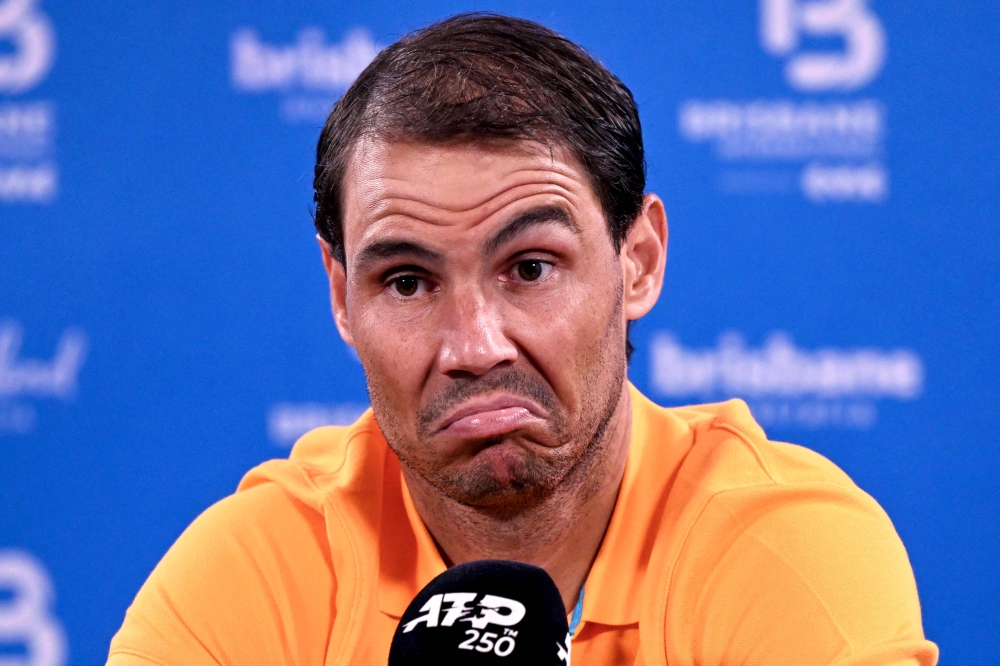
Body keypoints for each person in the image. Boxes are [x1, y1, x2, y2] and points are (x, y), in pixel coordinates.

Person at [107, 13, 937, 666]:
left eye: (530, 267)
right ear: (341, 297)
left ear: (637, 262)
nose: (474, 346)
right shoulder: (256, 572)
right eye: (407, 281)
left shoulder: (786, 554)